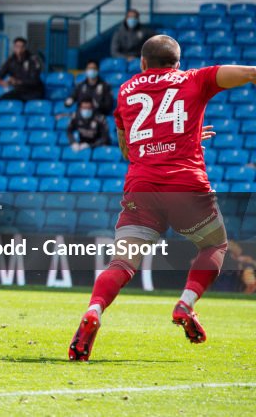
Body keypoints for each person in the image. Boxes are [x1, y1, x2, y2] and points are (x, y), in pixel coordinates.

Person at [69, 35, 256, 361]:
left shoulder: (126, 91)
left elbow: (129, 150)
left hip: (142, 187)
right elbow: (247, 73)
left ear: (143, 63)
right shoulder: (194, 79)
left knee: (122, 263)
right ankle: (186, 302)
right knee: (214, 246)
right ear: (178, 62)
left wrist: (185, 135)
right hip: (186, 186)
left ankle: (95, 310)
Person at [0, 37, 45, 101]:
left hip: (33, 91)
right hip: (19, 90)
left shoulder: (33, 60)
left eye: (22, 47)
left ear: (25, 48)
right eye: (17, 46)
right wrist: (2, 82)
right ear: (14, 48)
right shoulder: (11, 60)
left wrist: (17, 82)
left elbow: (34, 80)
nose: (19, 49)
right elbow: (0, 75)